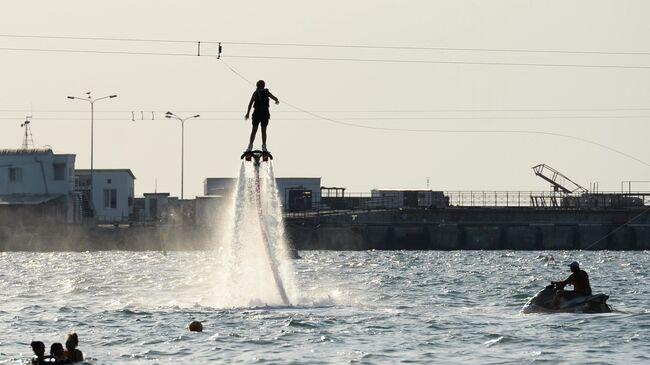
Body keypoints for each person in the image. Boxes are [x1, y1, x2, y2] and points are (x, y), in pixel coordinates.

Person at [244, 80, 279, 152]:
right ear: (263, 85)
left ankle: (250, 147)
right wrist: (276, 100)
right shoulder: (266, 92)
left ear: (257, 85)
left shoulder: (256, 93)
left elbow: (250, 104)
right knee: (263, 130)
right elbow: (274, 98)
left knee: (254, 130)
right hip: (265, 114)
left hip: (257, 113)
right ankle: (264, 147)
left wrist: (247, 113)